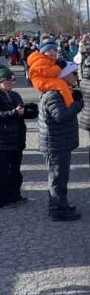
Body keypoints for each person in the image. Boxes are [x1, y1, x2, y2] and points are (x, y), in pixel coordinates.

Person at [38, 61, 83, 221]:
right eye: (74, 73)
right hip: (55, 144)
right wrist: (78, 105)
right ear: (63, 75)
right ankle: (57, 210)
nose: (77, 77)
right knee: (57, 178)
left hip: (59, 142)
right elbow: (60, 116)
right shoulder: (54, 94)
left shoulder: (62, 91)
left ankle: (61, 204)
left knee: (60, 177)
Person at [0, 66, 38, 207]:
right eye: (7, 80)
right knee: (4, 172)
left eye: (12, 80)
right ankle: (3, 199)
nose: (10, 82)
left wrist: (30, 111)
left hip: (17, 138)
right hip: (3, 140)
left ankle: (15, 195)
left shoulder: (15, 95)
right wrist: (13, 113)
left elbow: (21, 112)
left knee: (16, 170)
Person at [28, 38, 76, 107]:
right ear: (43, 52)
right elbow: (48, 73)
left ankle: (69, 94)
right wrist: (59, 67)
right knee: (61, 84)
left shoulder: (48, 59)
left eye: (54, 50)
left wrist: (58, 62)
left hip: (46, 79)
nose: (53, 52)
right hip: (41, 82)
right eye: (49, 50)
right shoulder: (41, 60)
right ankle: (70, 104)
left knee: (64, 84)